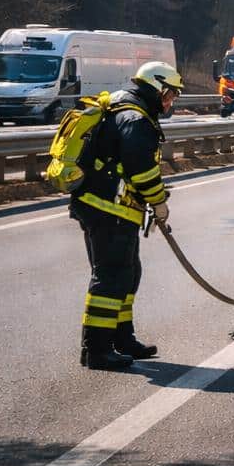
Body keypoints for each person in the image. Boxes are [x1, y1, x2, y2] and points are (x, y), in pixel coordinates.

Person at [71, 61, 182, 370]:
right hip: (107, 208)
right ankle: (96, 349)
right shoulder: (135, 119)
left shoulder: (126, 109)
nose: (171, 102)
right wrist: (158, 202)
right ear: (157, 88)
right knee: (110, 277)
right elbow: (141, 169)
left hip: (109, 206)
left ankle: (122, 338)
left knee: (128, 273)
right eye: (170, 95)